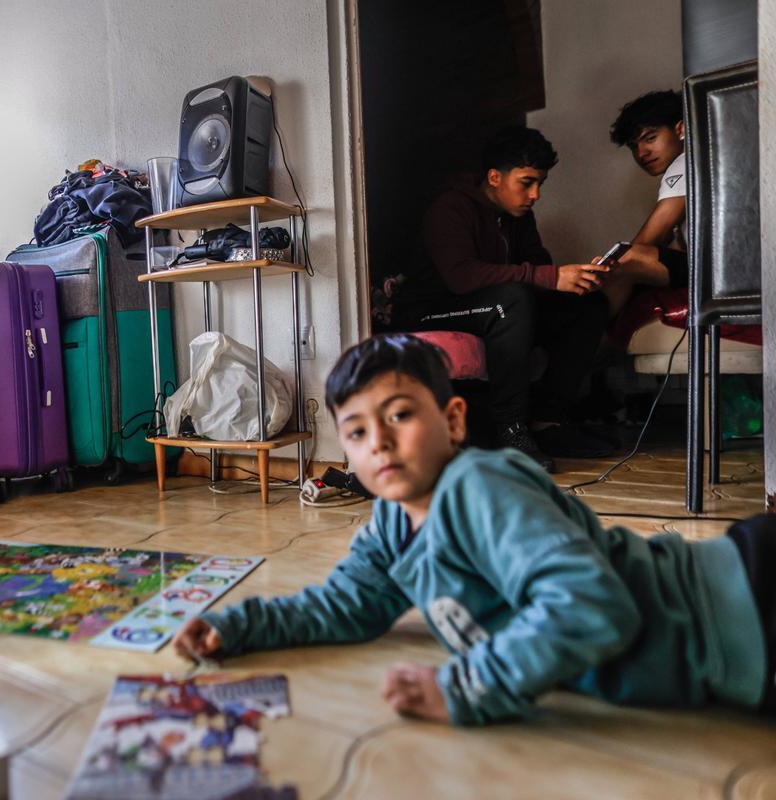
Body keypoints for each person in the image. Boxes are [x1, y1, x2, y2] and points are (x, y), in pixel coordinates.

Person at [173, 335, 774, 726]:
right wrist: (240, 626)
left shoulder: (478, 486)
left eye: (400, 416)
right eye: (355, 432)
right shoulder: (391, 523)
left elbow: (593, 606)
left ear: (453, 420)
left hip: (742, 605)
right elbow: (345, 607)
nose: (378, 442)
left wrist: (464, 688)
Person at [393, 126, 612, 473]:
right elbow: (462, 276)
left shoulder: (519, 217)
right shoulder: (450, 207)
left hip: (490, 306)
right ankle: (511, 427)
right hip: (431, 310)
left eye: (540, 183)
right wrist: (549, 277)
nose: (535, 194)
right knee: (511, 300)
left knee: (586, 306)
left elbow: (538, 269)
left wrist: (574, 280)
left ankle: (548, 422)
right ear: (495, 177)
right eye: (527, 183)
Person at [599, 90, 690, 317]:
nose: (642, 153)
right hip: (719, 268)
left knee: (626, 260)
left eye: (650, 138)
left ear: (681, 129)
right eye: (633, 146)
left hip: (719, 272)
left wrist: (606, 268)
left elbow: (649, 240)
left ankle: (593, 345)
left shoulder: (685, 163)